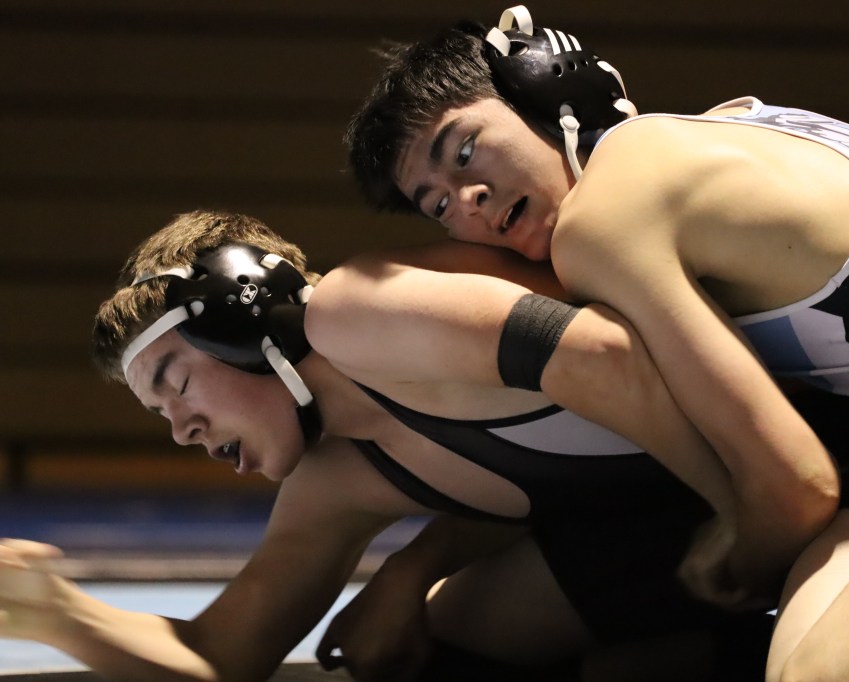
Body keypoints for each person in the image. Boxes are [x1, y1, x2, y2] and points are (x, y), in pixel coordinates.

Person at [345, 6, 849, 680]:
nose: (467, 199)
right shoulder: (724, 126)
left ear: (547, 91)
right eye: (438, 204)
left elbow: (796, 488)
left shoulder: (604, 221)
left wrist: (738, 554)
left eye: (465, 151)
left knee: (829, 671)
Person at [0, 209, 808, 682]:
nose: (182, 430)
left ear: (241, 319)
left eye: (176, 383)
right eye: (160, 415)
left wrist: (747, 514)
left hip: (814, 467)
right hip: (688, 526)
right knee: (437, 655)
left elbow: (615, 360)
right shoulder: (335, 482)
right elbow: (222, 656)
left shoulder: (367, 313)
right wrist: (60, 616)